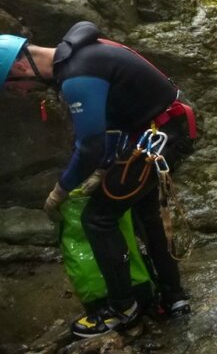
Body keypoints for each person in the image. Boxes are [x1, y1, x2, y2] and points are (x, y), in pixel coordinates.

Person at [0, 21, 196, 338]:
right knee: (144, 211)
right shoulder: (79, 58)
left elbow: (89, 145)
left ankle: (122, 309)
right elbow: (111, 126)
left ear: (21, 65)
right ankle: (174, 298)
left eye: (12, 86)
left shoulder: (76, 75)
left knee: (98, 218)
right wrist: (104, 169)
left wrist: (60, 191)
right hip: (162, 130)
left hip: (159, 137)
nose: (19, 92)